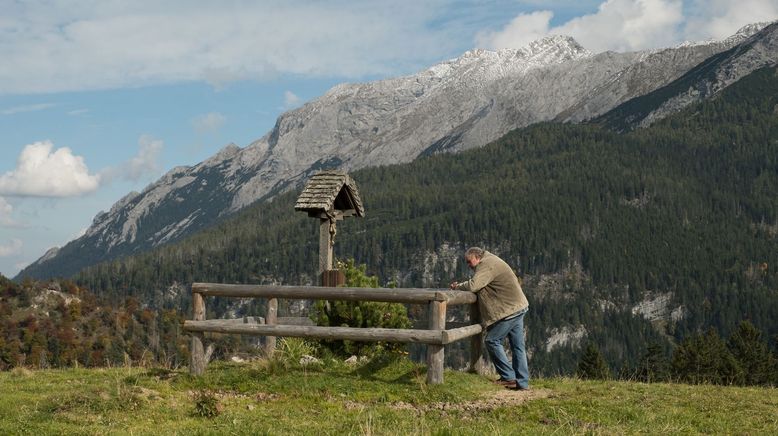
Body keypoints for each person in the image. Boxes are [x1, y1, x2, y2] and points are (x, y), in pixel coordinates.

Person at [450, 247, 530, 390]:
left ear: (476, 257)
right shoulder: (491, 260)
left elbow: (474, 285)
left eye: (469, 261)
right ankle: (522, 382)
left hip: (509, 310)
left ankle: (509, 377)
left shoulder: (487, 264)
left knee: (492, 340)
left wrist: (458, 286)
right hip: (518, 306)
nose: (468, 265)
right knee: (518, 347)